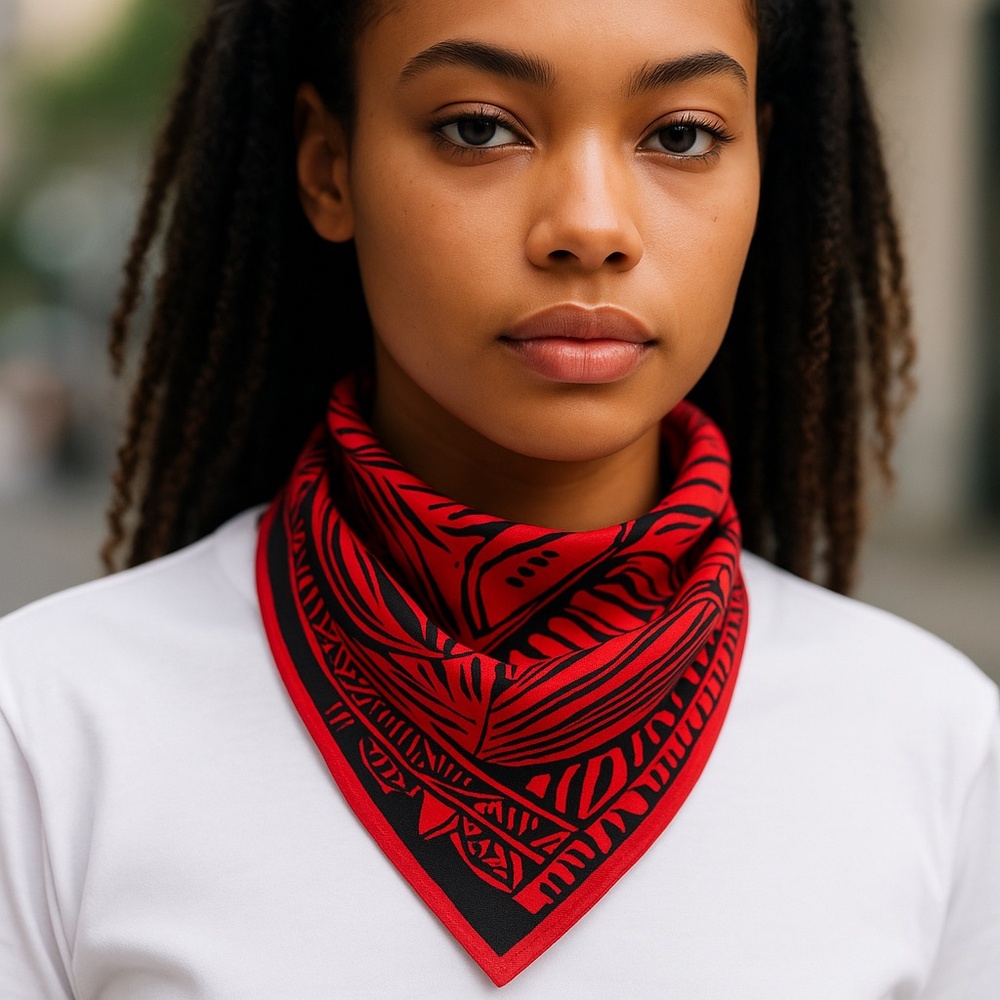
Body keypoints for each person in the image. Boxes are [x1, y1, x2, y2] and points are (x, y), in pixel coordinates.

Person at [1, 0, 997, 996]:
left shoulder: (939, 751)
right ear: (328, 165)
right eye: (478, 127)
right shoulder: (48, 732)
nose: (591, 227)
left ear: (761, 168)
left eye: (681, 135)